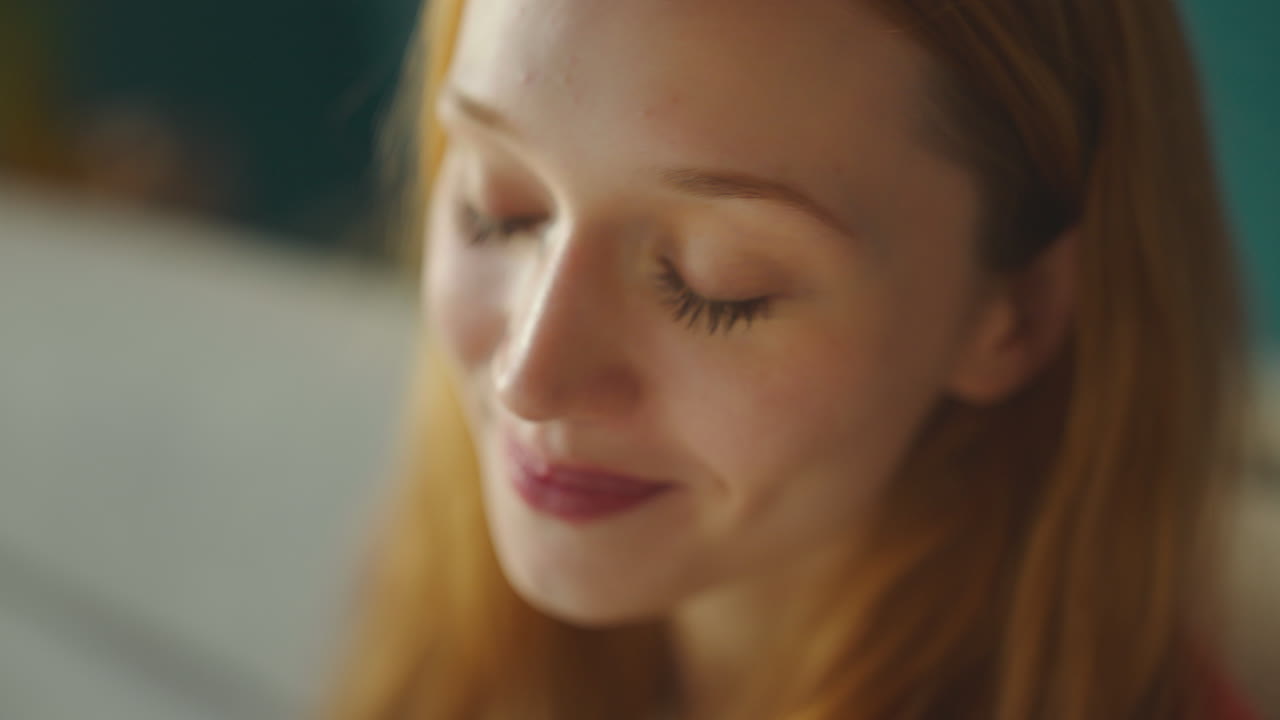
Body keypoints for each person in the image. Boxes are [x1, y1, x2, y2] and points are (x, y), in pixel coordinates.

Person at [327, 1, 1258, 718]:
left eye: (717, 285)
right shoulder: (442, 638)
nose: (529, 378)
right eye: (501, 209)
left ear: (1015, 317)